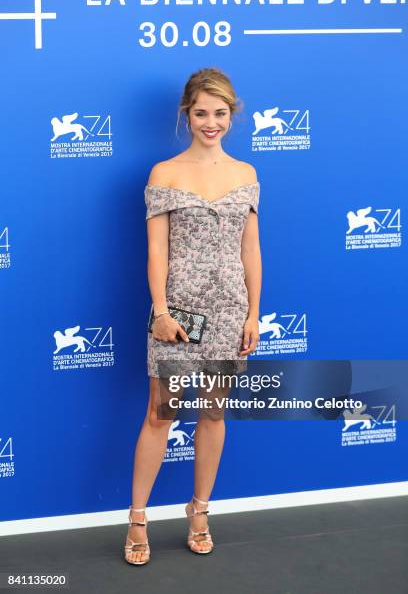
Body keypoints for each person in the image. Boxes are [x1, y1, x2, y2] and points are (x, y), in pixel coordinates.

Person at [124, 67, 262, 565]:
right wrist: (160, 312)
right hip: (178, 313)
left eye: (220, 113)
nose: (211, 122)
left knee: (214, 411)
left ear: (232, 114)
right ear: (187, 114)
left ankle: (199, 511)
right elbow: (155, 252)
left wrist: (254, 315)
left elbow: (252, 251)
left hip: (229, 313)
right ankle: (137, 517)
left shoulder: (246, 175)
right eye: (201, 113)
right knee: (161, 415)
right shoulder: (165, 173)